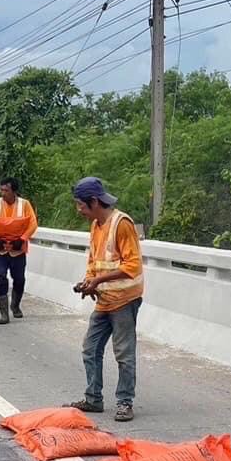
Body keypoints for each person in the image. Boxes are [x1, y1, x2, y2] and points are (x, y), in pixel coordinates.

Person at [65, 177, 143, 423]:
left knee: (124, 353)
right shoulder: (96, 225)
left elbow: (132, 265)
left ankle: (125, 402)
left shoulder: (122, 224)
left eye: (81, 205)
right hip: (104, 299)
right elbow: (94, 260)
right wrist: (89, 282)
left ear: (94, 202)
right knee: (90, 349)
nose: (79, 210)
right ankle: (93, 398)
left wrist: (98, 280)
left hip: (124, 299)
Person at [0, 176, 38, 324]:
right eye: (1, 190)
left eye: (6, 190)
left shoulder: (25, 205)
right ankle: (4, 314)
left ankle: (15, 305)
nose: (3, 193)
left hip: (17, 250)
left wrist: (22, 239)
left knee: (19, 280)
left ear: (14, 191)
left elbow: (33, 224)